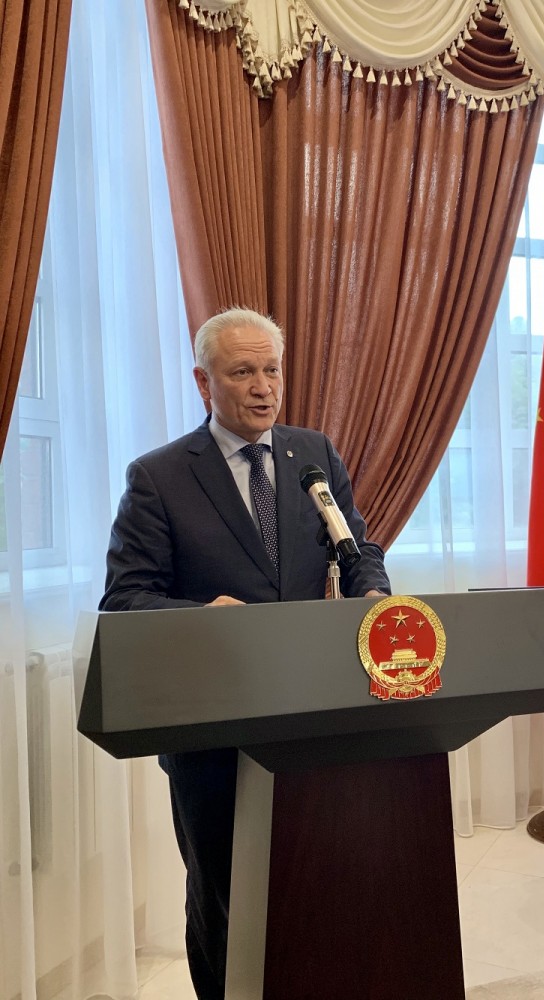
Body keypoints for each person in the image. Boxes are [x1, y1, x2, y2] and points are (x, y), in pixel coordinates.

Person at [100, 307, 391, 1000]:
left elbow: (355, 546)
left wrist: (374, 594)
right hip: (214, 724)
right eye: (242, 372)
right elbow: (126, 598)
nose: (264, 387)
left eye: (272, 370)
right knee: (225, 897)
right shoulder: (159, 476)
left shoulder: (313, 453)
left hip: (311, 711)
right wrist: (204, 617)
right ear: (204, 382)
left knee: (310, 886)